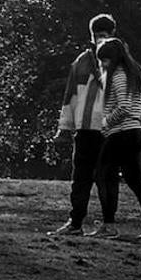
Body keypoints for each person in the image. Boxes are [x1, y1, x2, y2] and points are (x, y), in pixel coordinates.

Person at [47, 14, 115, 236]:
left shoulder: (119, 61)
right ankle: (75, 222)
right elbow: (70, 97)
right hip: (84, 129)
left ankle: (109, 224)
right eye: (97, 36)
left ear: (112, 35)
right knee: (80, 179)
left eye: (104, 36)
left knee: (106, 177)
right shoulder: (81, 61)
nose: (100, 41)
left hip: (108, 129)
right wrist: (64, 127)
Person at [88, 37, 141, 240]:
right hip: (135, 132)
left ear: (113, 58)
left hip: (121, 133)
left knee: (102, 175)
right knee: (135, 180)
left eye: (104, 60)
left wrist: (104, 123)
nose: (102, 64)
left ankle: (109, 225)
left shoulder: (119, 76)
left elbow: (124, 108)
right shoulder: (133, 75)